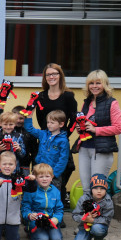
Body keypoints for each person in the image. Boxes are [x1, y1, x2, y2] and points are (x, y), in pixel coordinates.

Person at [35, 63, 78, 204]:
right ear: (45, 77)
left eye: (55, 74)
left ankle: (57, 208)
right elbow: (41, 120)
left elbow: (74, 119)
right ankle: (42, 207)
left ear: (60, 76)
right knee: (42, 176)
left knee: (63, 173)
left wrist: (65, 135)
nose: (51, 77)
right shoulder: (41, 96)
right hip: (45, 141)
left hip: (61, 140)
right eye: (48, 74)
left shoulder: (68, 96)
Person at [77, 70, 121, 195]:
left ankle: (100, 213)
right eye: (91, 83)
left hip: (101, 150)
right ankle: (89, 213)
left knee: (97, 188)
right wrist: (80, 128)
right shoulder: (86, 102)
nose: (94, 86)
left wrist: (95, 130)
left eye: (98, 83)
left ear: (105, 84)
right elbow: (84, 121)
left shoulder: (112, 103)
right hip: (84, 148)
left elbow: (118, 128)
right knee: (86, 188)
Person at [0, 151, 36, 240]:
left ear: (15, 165)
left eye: (10, 164)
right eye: (4, 164)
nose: (7, 166)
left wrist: (32, 181)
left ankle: (8, 232)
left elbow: (31, 190)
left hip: (12, 218)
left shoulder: (18, 179)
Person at [23, 110, 70, 191]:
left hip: (53, 175)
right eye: (48, 122)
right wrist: (29, 116)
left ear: (61, 124)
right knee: (37, 193)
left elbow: (63, 159)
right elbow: (29, 129)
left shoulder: (63, 141)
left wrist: (54, 174)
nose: (49, 125)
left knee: (52, 194)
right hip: (39, 171)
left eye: (52, 123)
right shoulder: (43, 134)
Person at [21, 163, 64, 240]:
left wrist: (56, 219)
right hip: (36, 223)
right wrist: (29, 215)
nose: (44, 179)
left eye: (47, 176)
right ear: (36, 178)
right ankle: (30, 231)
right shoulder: (31, 190)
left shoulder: (55, 191)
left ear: (52, 177)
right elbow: (25, 207)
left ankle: (48, 232)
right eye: (41, 177)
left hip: (50, 222)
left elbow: (59, 209)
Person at [72, 174, 114, 240]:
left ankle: (99, 239)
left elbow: (107, 219)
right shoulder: (84, 199)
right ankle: (86, 236)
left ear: (106, 189)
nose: (99, 191)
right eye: (96, 188)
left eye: (102, 188)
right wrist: (84, 218)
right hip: (84, 226)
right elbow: (75, 215)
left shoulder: (108, 201)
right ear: (91, 189)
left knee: (96, 229)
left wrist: (93, 220)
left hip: (99, 226)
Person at [0, 112, 26, 176]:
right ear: (0, 123)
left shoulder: (19, 137)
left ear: (15, 124)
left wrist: (19, 149)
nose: (8, 127)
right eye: (5, 124)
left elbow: (23, 155)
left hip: (14, 172)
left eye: (11, 124)